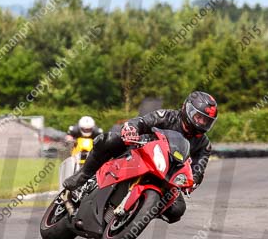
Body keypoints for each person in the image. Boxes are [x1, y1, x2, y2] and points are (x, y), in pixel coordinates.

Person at [62, 91, 217, 224]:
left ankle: (140, 210)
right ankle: (83, 176)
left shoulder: (204, 144)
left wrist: (192, 181)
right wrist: (132, 129)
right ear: (187, 109)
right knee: (107, 140)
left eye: (206, 121)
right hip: (140, 150)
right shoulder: (168, 116)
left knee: (177, 210)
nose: (201, 123)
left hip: (167, 174)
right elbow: (142, 121)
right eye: (199, 117)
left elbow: (199, 168)